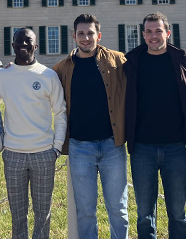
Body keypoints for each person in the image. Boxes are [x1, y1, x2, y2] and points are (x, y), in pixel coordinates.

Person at [52, 14, 129, 239]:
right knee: (85, 212)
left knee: (118, 209)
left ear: (99, 35)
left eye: (90, 33)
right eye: (81, 33)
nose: (86, 38)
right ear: (74, 36)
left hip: (111, 145)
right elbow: (37, 80)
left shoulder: (117, 61)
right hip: (79, 147)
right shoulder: (62, 68)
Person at [124, 12, 186, 239]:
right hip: (142, 148)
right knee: (145, 214)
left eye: (158, 31)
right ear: (143, 34)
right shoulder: (131, 60)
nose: (153, 36)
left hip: (176, 147)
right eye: (148, 31)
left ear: (167, 32)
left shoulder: (185, 59)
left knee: (177, 212)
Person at [0, 28, 67, 239]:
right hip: (13, 155)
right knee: (17, 216)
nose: (23, 45)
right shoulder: (2, 76)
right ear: (13, 46)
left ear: (36, 45)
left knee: (42, 214)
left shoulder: (48, 75)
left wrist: (57, 147)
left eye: (28, 42)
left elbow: (60, 112)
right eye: (19, 41)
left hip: (44, 154)